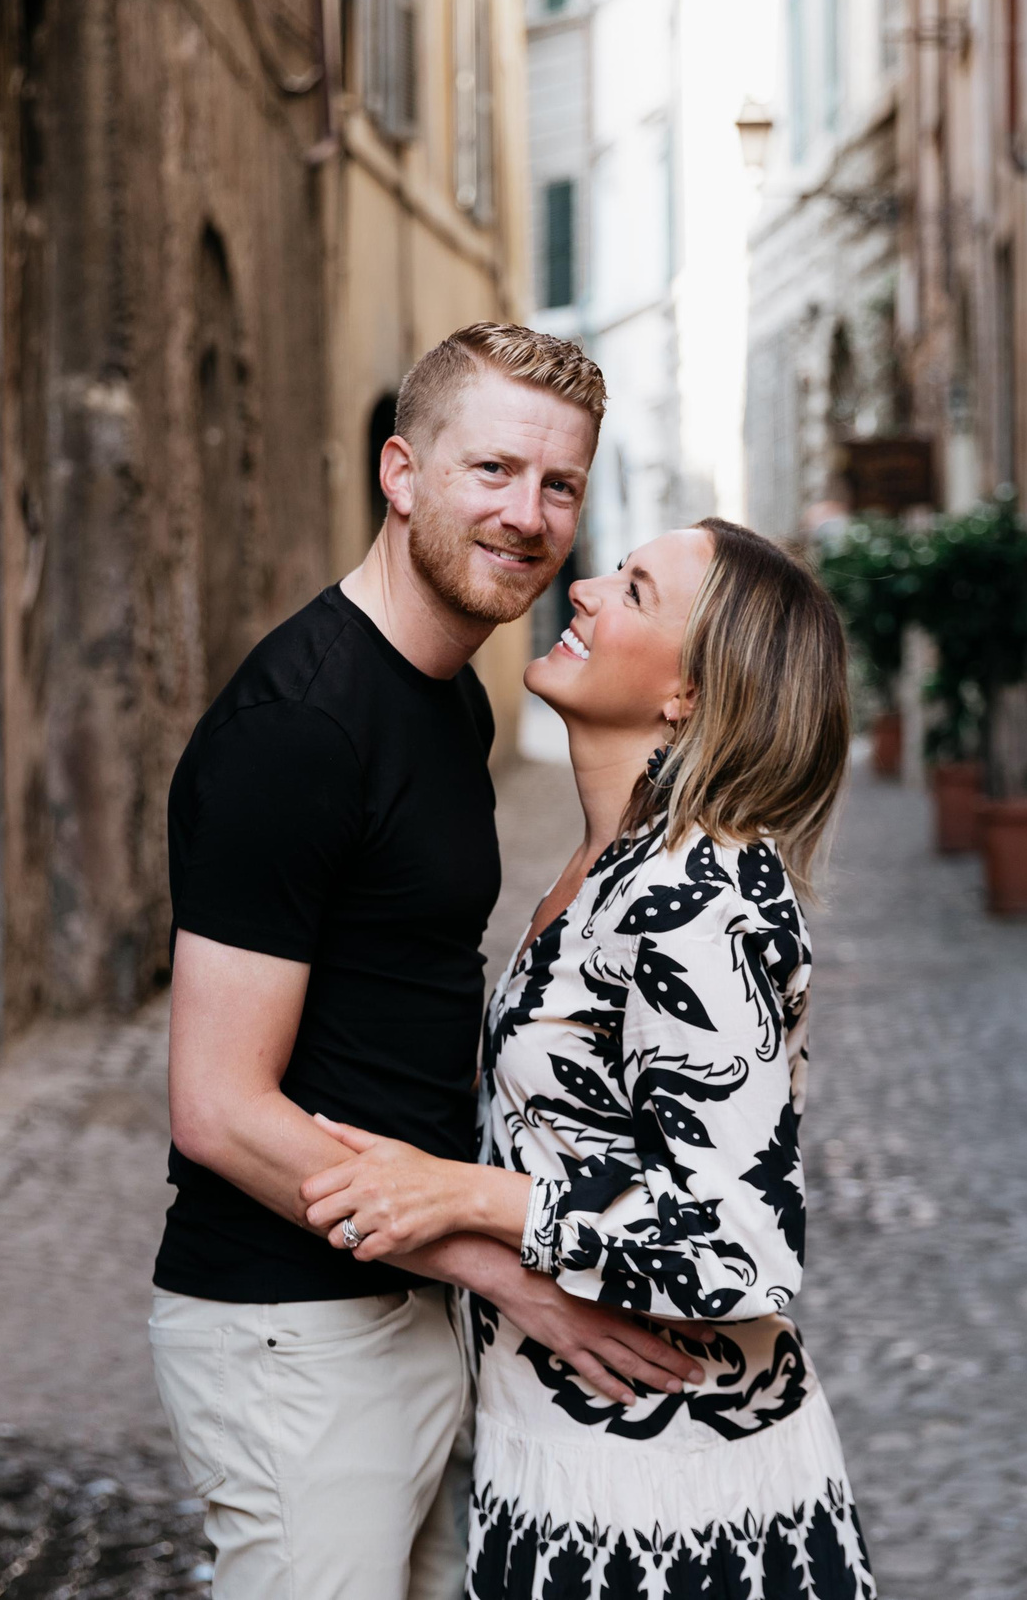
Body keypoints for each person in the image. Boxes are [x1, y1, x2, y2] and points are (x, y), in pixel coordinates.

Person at [151, 323, 715, 1600]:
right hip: (290, 1327)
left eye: (558, 485)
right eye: (492, 472)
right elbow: (220, 1109)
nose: (527, 515)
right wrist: (518, 1277)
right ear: (402, 474)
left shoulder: (453, 697)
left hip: (398, 1307)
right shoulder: (298, 729)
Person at [298, 519, 878, 1599]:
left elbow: (737, 1249)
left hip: (680, 1510)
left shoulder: (702, 899)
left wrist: (460, 1197)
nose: (586, 590)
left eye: (636, 591)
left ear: (692, 697)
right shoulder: (609, 867)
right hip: (564, 1471)